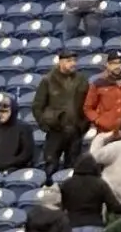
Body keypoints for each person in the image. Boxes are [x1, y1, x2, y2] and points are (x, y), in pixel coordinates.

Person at [33, 47, 88, 175]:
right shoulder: (48, 80)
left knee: (74, 169)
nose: (73, 63)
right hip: (55, 131)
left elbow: (88, 104)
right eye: (69, 60)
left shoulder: (82, 79)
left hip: (75, 131)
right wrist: (46, 125)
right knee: (51, 167)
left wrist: (83, 125)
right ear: (60, 62)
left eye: (74, 60)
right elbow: (37, 106)